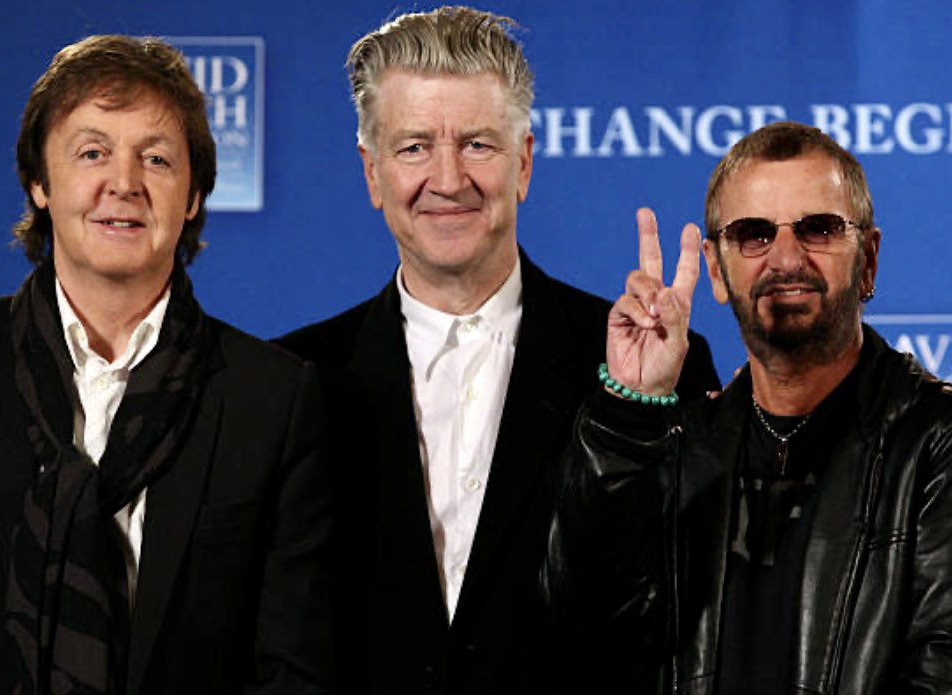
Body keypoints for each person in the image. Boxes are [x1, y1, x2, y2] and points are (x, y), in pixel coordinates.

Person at [276, 6, 719, 694]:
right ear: (371, 173)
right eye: (413, 147)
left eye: (477, 144)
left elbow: (680, 621)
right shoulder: (289, 380)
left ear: (523, 164)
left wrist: (635, 408)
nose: (448, 178)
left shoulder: (651, 369)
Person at [0, 35, 331, 695]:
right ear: (40, 182)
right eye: (93, 153)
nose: (125, 183)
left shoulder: (271, 399)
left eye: (156, 159)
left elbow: (292, 666)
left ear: (193, 196)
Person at [545, 120, 952, 693]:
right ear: (716, 269)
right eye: (754, 234)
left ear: (868, 260)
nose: (786, 258)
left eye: (818, 229)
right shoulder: (676, 448)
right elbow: (585, 631)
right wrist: (629, 414)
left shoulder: (936, 441)